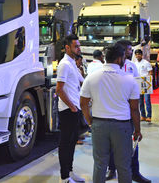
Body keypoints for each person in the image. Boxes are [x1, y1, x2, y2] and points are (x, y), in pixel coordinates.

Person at [80, 44, 142, 183]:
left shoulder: (92, 77)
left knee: (100, 164)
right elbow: (134, 109)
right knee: (124, 166)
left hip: (99, 124)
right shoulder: (129, 79)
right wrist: (137, 130)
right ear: (120, 59)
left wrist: (90, 122)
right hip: (122, 127)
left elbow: (83, 103)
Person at [106, 40, 151, 183]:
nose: (131, 52)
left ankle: (135, 172)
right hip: (115, 110)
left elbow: (138, 86)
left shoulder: (132, 66)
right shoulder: (111, 67)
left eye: (132, 49)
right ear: (121, 50)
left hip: (131, 110)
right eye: (129, 49)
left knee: (134, 141)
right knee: (112, 143)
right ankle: (112, 169)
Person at [56, 34, 85, 183]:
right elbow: (59, 90)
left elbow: (82, 82)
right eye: (76, 46)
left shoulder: (73, 63)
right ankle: (64, 177)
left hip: (75, 108)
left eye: (79, 46)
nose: (79, 48)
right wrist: (73, 107)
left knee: (73, 141)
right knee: (66, 143)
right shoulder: (64, 64)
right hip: (68, 110)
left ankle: (70, 171)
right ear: (67, 48)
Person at [134, 49, 153, 122]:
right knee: (140, 101)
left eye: (139, 54)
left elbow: (150, 72)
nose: (138, 55)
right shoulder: (135, 63)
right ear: (135, 55)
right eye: (136, 54)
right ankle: (143, 115)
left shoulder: (146, 63)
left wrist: (147, 80)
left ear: (142, 55)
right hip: (138, 83)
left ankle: (149, 116)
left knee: (147, 100)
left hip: (145, 83)